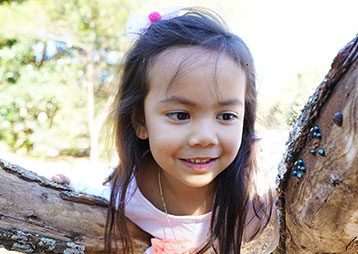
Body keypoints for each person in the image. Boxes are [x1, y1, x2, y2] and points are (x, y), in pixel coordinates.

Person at [56, 7, 279, 254]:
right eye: (181, 115)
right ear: (141, 122)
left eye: (226, 116)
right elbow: (100, 197)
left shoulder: (261, 184)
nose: (205, 137)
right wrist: (70, 186)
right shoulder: (132, 192)